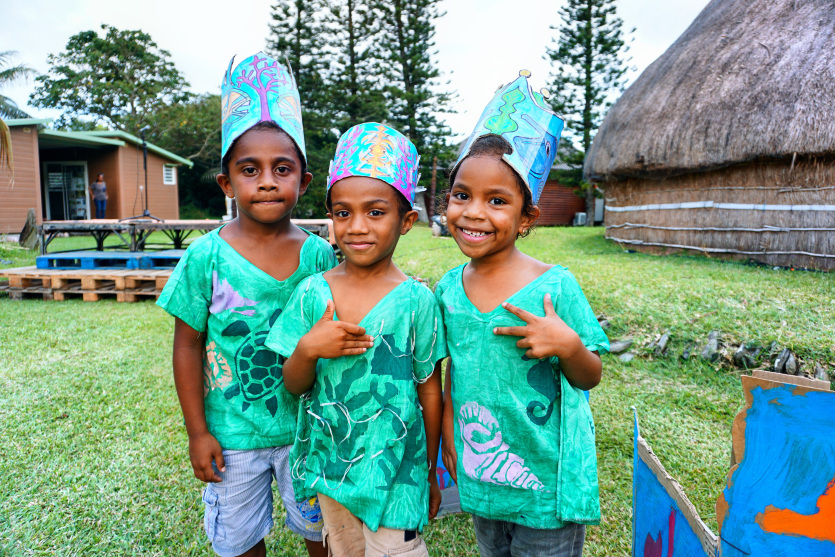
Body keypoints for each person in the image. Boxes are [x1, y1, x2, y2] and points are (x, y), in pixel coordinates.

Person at [157, 52, 332, 557]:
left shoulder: (319, 256)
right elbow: (187, 346)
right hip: (232, 436)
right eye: (249, 170)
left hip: (308, 431)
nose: (267, 181)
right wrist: (197, 432)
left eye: (283, 168)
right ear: (227, 183)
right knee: (239, 540)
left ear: (303, 180)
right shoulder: (205, 257)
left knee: (322, 532)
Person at [436, 71, 610, 557]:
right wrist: (449, 428)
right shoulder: (448, 289)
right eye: (462, 195)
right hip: (482, 471)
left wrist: (569, 346)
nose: (474, 212)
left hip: (545, 480)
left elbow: (591, 375)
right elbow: (453, 371)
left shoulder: (556, 286)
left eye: (496, 201)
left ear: (527, 217)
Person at [266, 123, 448, 557]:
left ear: (406, 221)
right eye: (343, 213)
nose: (357, 226)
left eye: (375, 212)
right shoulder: (313, 293)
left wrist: (429, 469)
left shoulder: (417, 301)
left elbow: (429, 389)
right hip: (332, 467)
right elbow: (292, 384)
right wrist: (308, 349)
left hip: (398, 470)